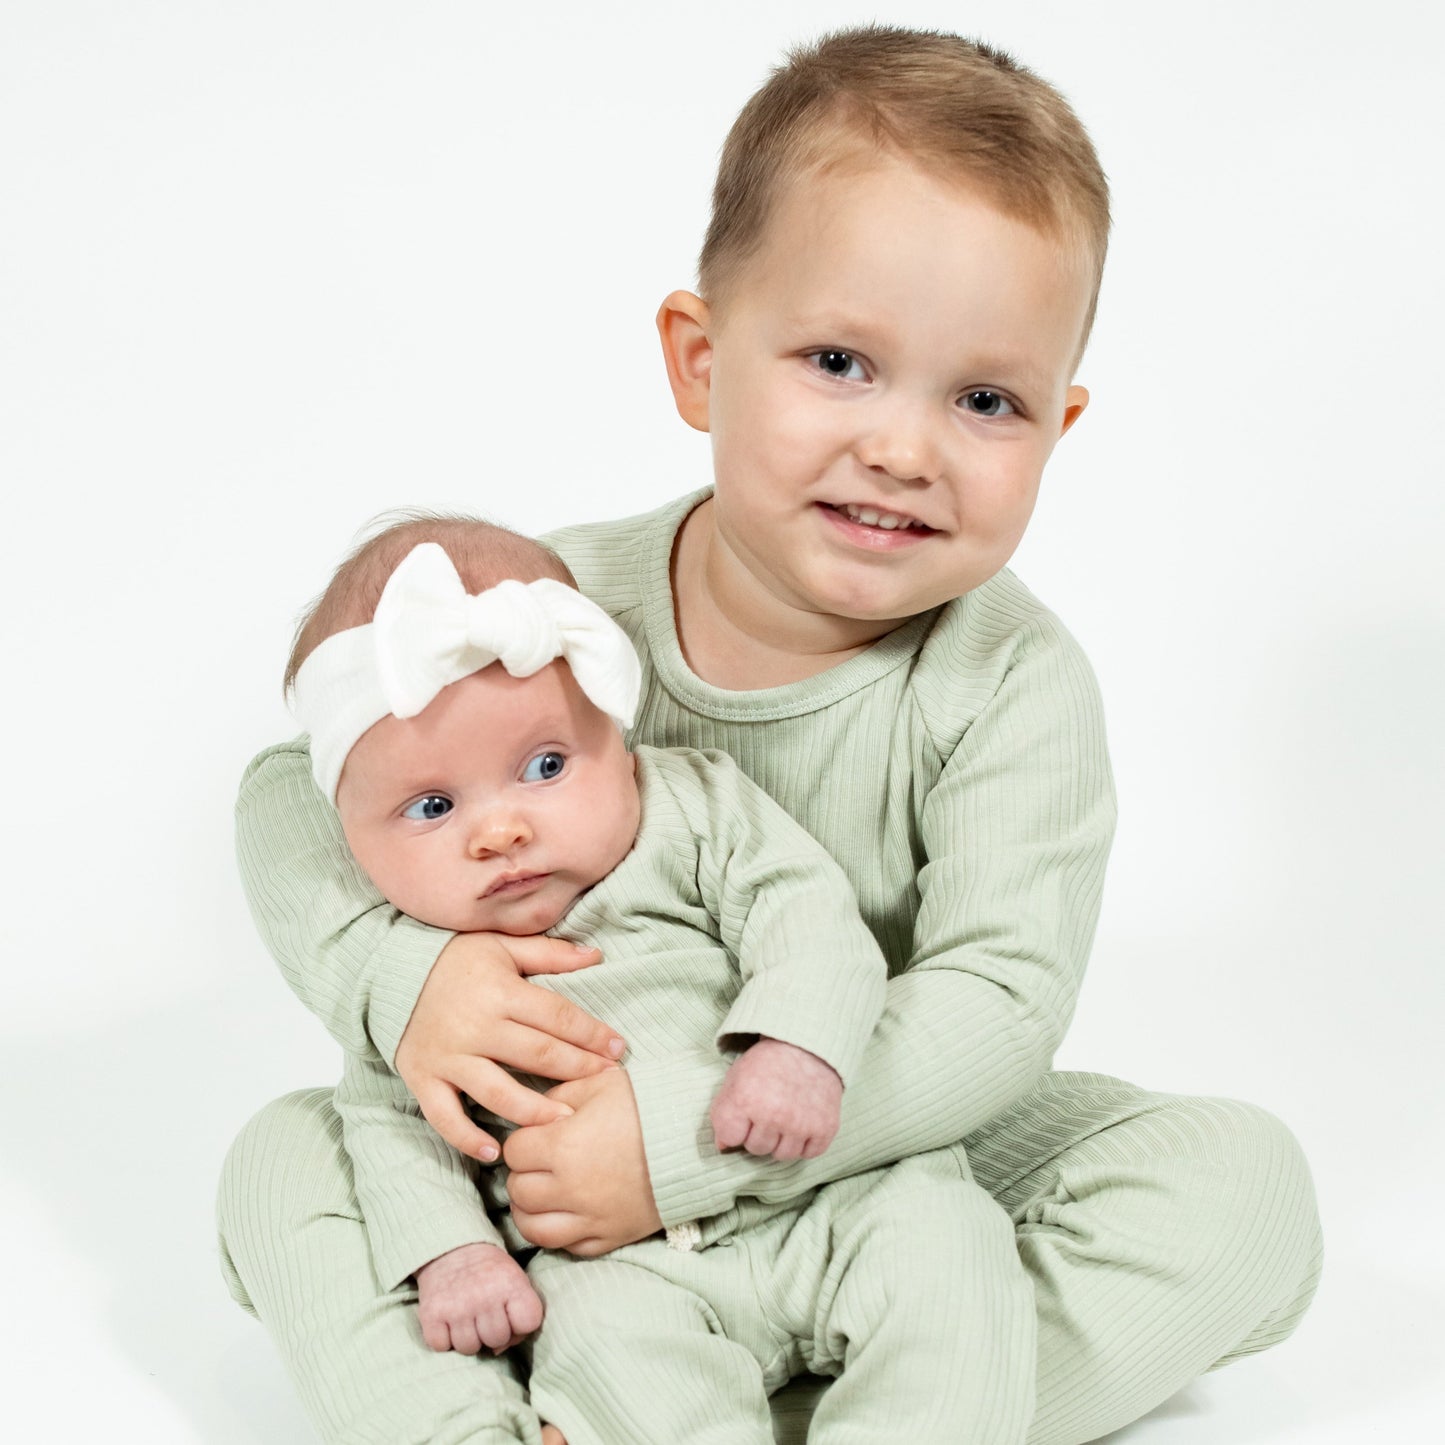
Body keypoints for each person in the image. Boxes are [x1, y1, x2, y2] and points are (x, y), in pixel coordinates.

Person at [218, 24, 1322, 1445]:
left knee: (1244, 1191)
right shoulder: (542, 614)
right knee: (283, 1165)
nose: (904, 449)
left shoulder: (1009, 681)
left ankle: (793, 1400)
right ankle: (487, 1418)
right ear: (700, 361)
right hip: (544, 1157)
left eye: (985, 400)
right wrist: (402, 977)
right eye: (840, 360)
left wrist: (679, 1142)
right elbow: (290, 793)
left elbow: (995, 1001)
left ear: (1058, 426)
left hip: (874, 1145)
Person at [284, 518, 1034, 1445]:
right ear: (351, 839)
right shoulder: (411, 968)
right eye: (432, 806)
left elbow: (803, 909)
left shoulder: (692, 807)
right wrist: (458, 1255)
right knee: (608, 1355)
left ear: (618, 734)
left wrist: (794, 1045)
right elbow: (390, 1123)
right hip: (614, 1264)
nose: (501, 831)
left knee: (948, 1257)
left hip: (828, 1192)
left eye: (546, 765)